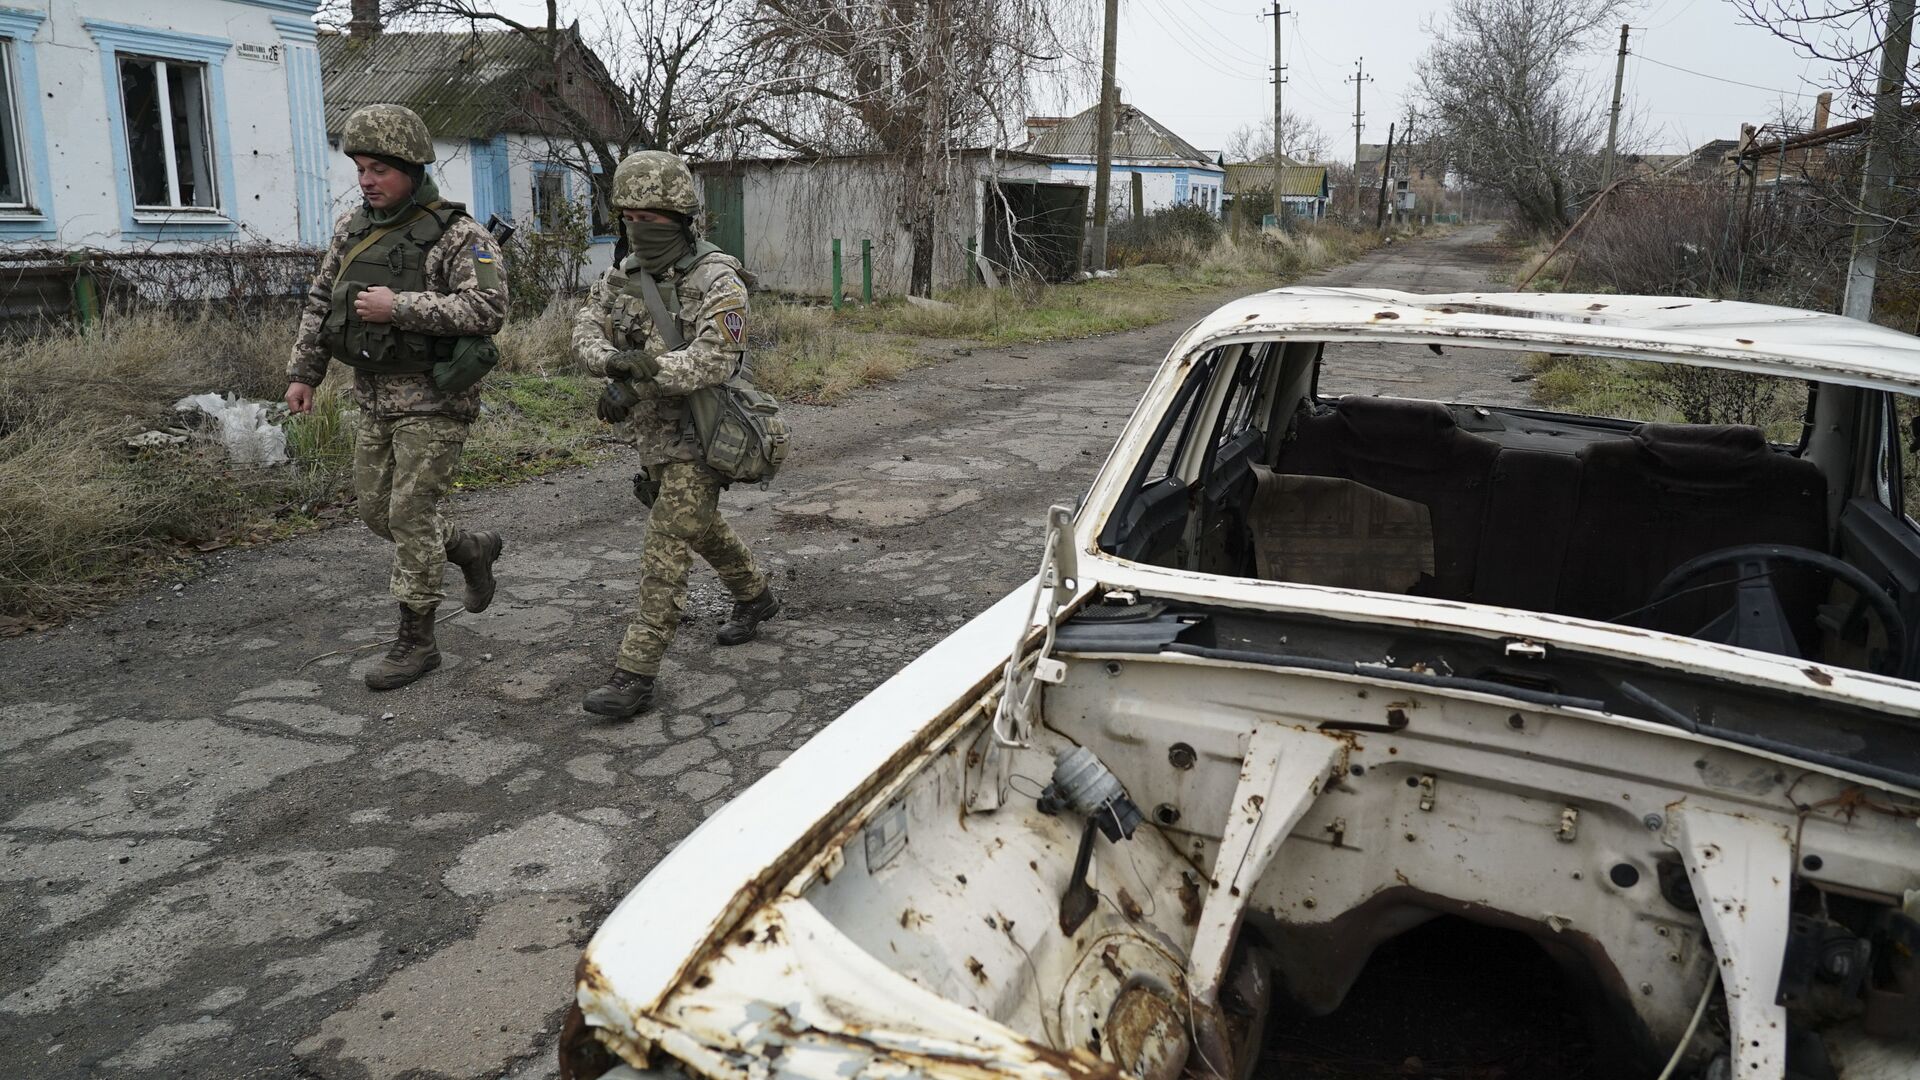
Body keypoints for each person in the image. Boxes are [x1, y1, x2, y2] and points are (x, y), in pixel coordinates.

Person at [284, 103, 508, 691]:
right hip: (372, 395)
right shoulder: (352, 231)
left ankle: (417, 641)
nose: (366, 180)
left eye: (379, 168)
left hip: (437, 399)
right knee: (377, 513)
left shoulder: (462, 236)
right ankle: (469, 548)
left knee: (409, 515)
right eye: (360, 168)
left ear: (412, 167)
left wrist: (398, 306)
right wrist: (303, 373)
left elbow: (489, 309)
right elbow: (318, 301)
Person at [571, 150, 779, 719]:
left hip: (706, 434)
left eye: (652, 216)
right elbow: (586, 327)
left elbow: (715, 359)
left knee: (664, 549)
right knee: (700, 527)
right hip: (655, 439)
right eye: (628, 215)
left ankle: (634, 673)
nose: (638, 226)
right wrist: (614, 365)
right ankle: (756, 596)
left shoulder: (719, 279)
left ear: (681, 216)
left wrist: (640, 379)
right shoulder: (623, 274)